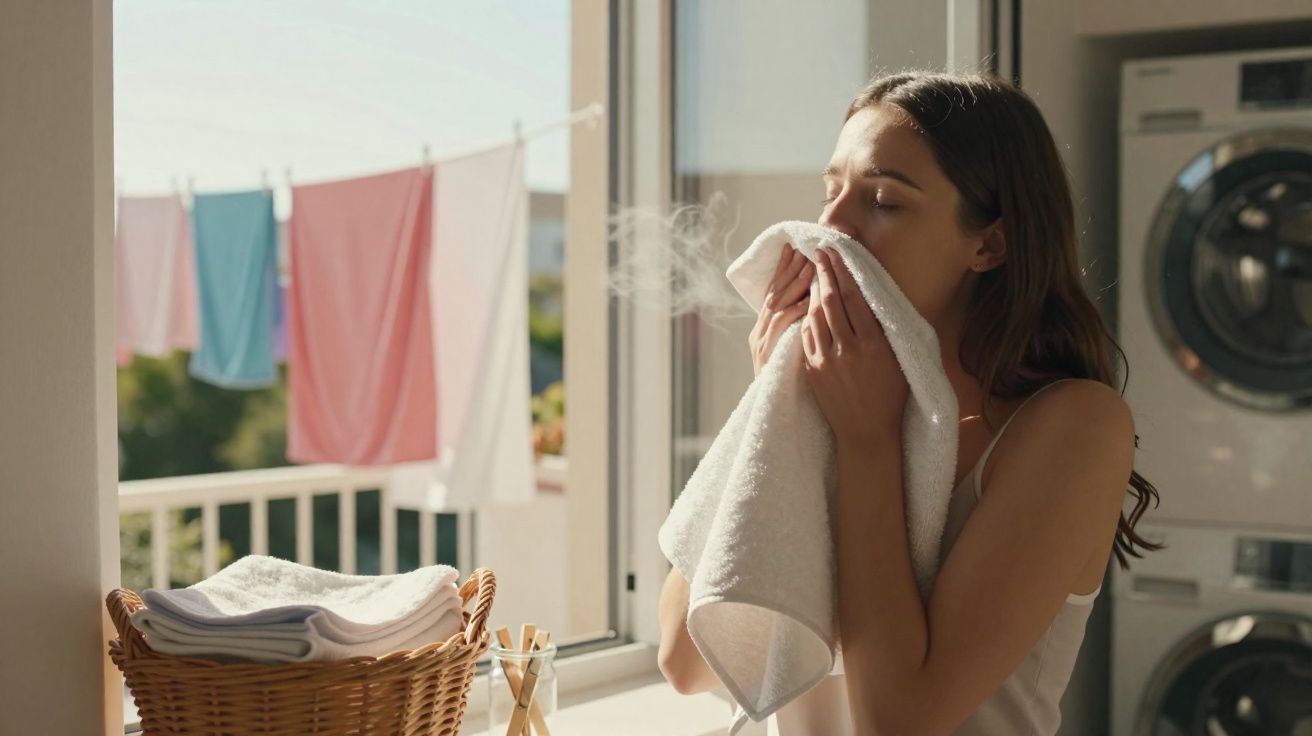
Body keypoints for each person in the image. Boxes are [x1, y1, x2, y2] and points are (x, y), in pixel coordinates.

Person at [656, 70, 1164, 735]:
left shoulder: (1075, 426)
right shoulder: (833, 401)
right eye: (831, 192)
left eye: (884, 201)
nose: (832, 227)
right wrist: (772, 406)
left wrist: (866, 443)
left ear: (989, 244)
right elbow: (686, 662)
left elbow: (900, 722)